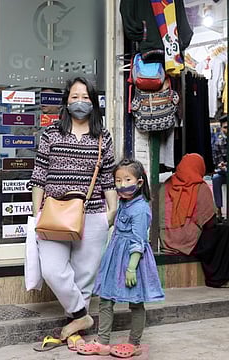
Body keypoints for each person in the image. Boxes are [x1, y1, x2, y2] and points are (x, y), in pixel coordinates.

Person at [29, 77, 118, 350]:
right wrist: (37, 212)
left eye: (86, 97)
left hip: (92, 215)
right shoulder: (51, 133)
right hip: (54, 214)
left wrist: (111, 213)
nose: (80, 102)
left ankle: (73, 330)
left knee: (84, 277)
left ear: (93, 102)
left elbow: (108, 179)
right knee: (53, 270)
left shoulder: (103, 137)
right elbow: (39, 175)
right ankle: (83, 317)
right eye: (75, 96)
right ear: (66, 101)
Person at [77, 159, 164, 357]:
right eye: (118, 180)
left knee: (136, 302)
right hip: (115, 258)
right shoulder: (123, 203)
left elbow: (139, 241)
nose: (122, 185)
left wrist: (131, 267)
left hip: (133, 261)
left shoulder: (141, 209)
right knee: (106, 300)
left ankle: (134, 343)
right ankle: (103, 341)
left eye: (127, 179)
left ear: (139, 183)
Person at [160, 153, 215, 256]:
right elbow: (210, 223)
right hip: (191, 245)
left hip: (165, 242)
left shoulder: (166, 184)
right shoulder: (202, 188)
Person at [211, 115, 227, 222]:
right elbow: (217, 161)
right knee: (215, 179)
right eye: (225, 127)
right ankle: (219, 210)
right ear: (221, 128)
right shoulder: (218, 142)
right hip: (223, 171)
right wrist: (222, 166)